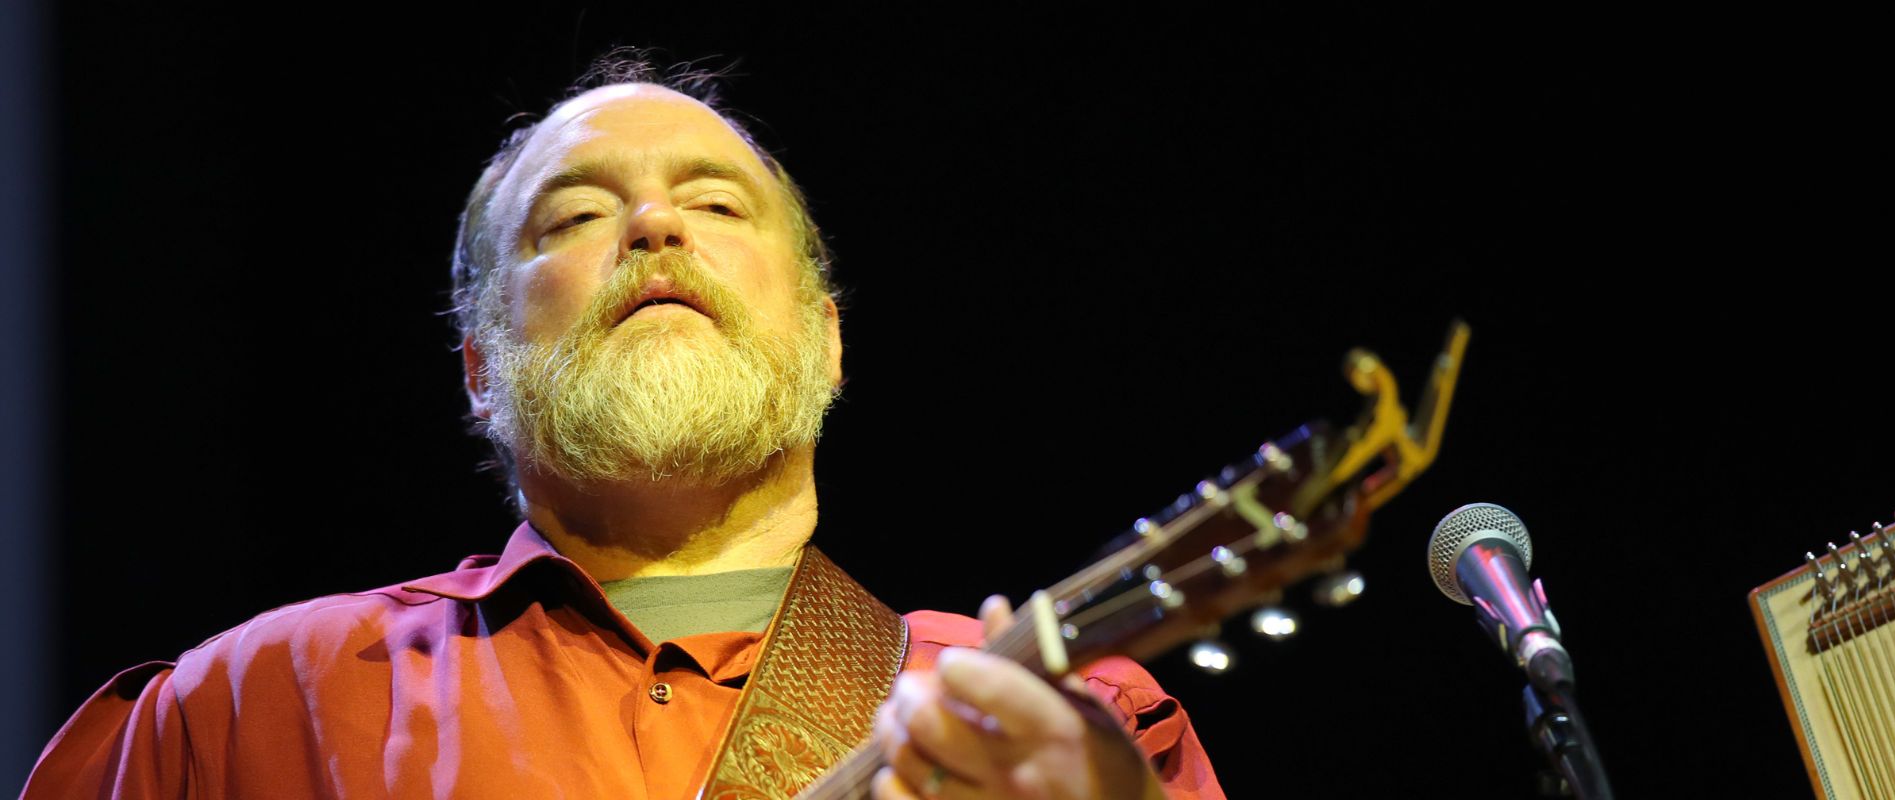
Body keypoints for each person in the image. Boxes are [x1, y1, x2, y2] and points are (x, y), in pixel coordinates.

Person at [21, 59, 1222, 799]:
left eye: (711, 202)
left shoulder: (1065, 723)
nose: (653, 224)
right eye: (578, 213)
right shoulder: (239, 714)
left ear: (827, 337)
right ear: (482, 367)